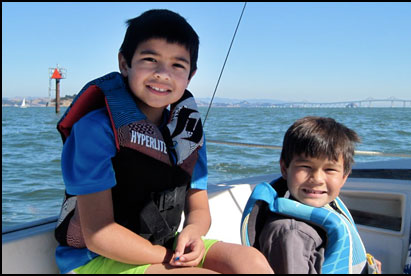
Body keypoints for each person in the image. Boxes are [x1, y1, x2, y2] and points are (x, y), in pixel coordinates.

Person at [54, 9, 273, 274]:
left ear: (190, 75)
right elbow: (100, 235)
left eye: (177, 65)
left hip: (163, 245)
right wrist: (168, 256)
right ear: (124, 63)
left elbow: (199, 207)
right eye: (150, 59)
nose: (162, 73)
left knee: (251, 262)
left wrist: (193, 231)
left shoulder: (185, 133)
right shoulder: (95, 130)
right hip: (96, 259)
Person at [241, 116, 381, 274]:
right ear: (284, 168)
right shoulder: (291, 235)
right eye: (305, 166)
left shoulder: (325, 207)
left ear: (344, 177)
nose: (317, 179)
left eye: (330, 170)